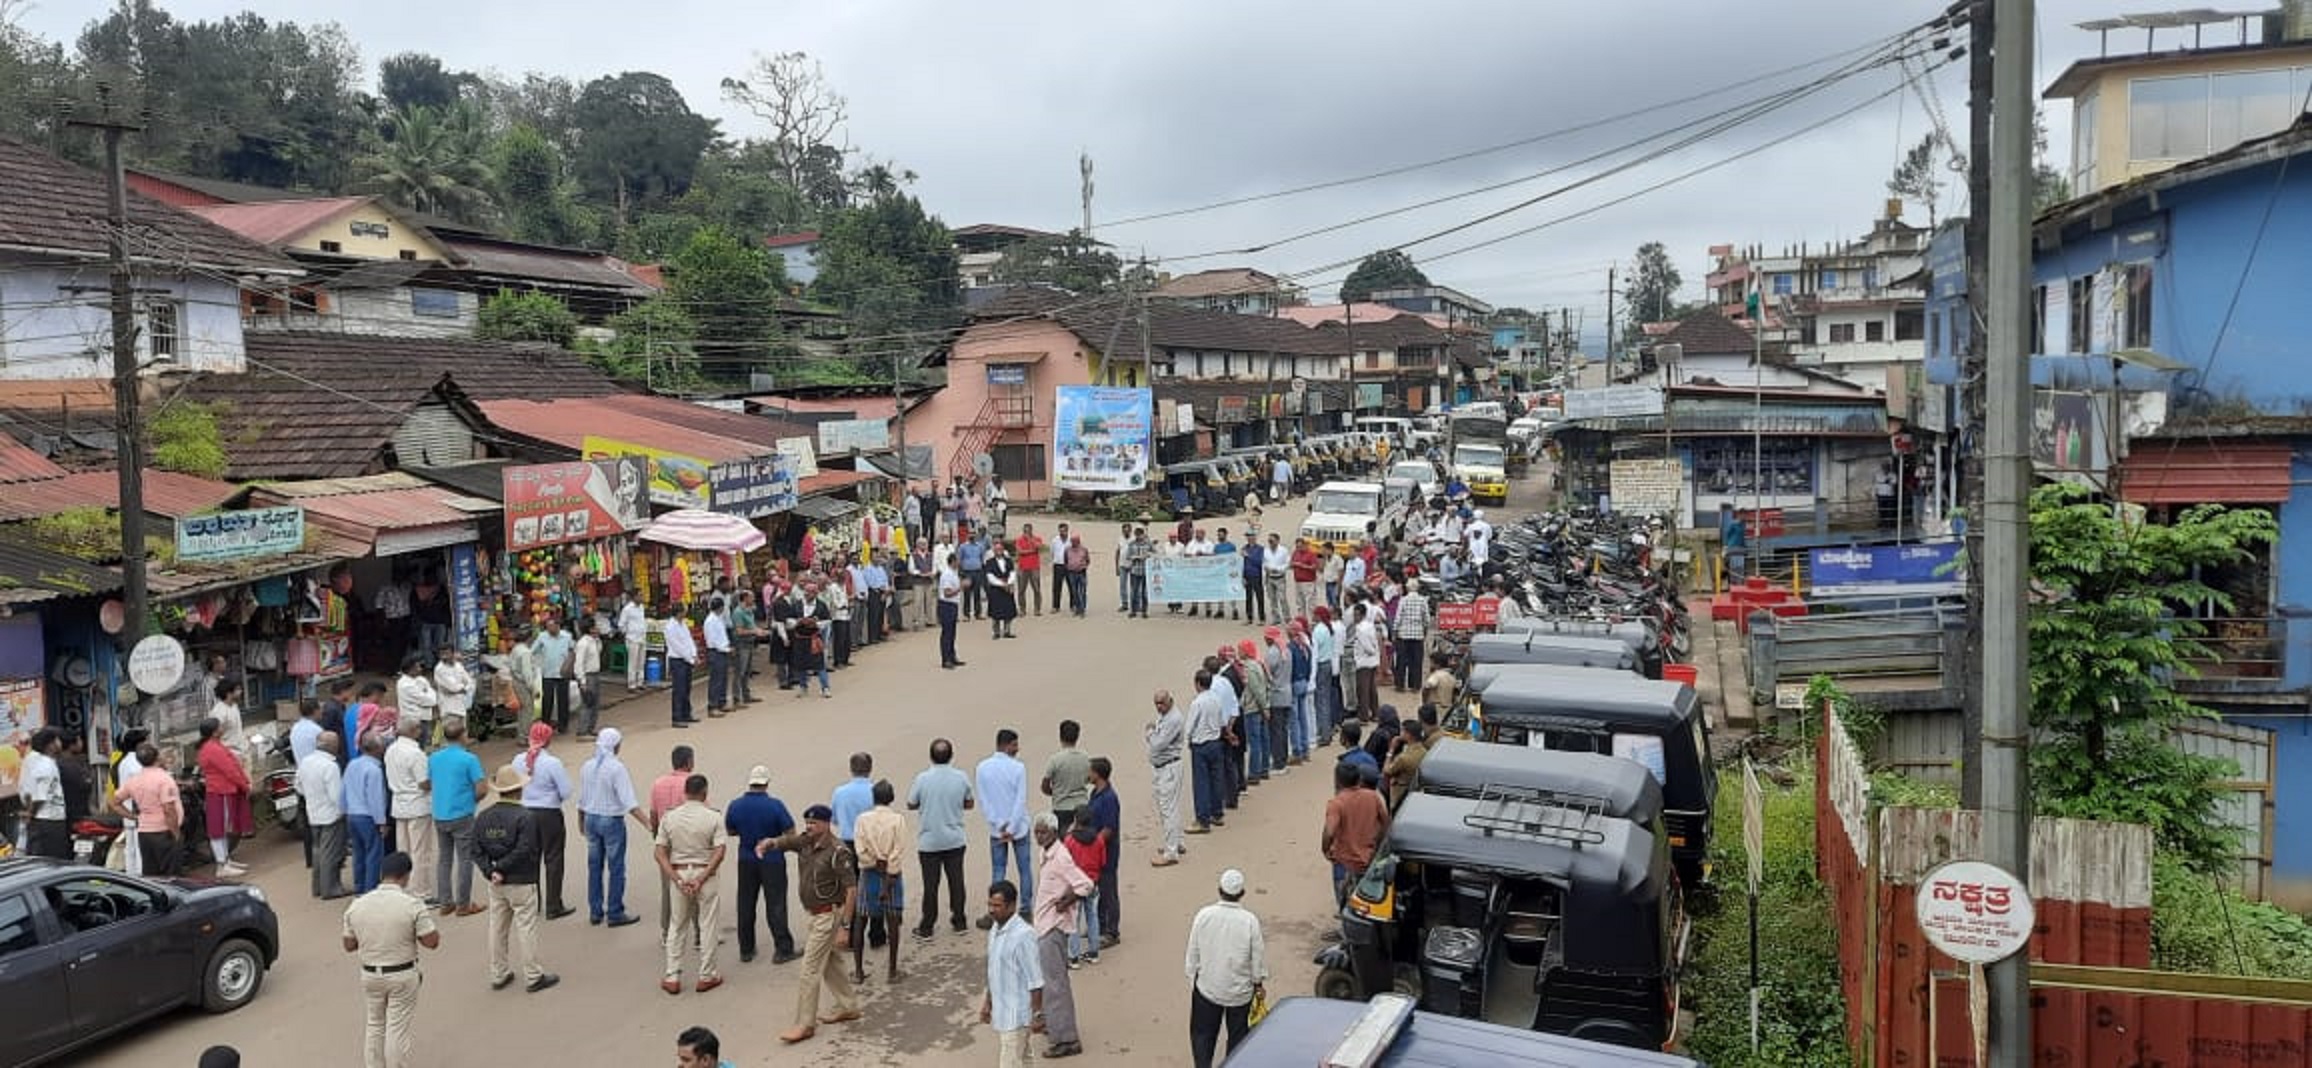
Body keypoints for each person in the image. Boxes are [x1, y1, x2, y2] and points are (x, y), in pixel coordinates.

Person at [757, 804, 860, 1045]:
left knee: (809, 969)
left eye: (814, 823)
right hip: (814, 915)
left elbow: (852, 890)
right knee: (830, 964)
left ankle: (805, 1024)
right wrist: (769, 843)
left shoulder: (838, 851)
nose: (809, 827)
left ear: (826, 823)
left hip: (829, 916)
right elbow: (787, 842)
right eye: (807, 823)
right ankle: (848, 1006)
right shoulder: (805, 841)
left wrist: (845, 926)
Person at [342, 852, 441, 1068]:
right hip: (402, 975)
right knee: (396, 1028)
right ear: (405, 876)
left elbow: (349, 945)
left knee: (374, 1024)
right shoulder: (412, 905)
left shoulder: (357, 905)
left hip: (369, 975)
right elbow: (432, 942)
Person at [473, 762, 559, 994]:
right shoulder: (525, 817)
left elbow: (476, 849)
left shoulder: (483, 817)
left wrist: (490, 870)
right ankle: (533, 975)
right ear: (518, 790)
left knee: (497, 927)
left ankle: (498, 972)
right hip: (521, 879)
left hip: (496, 882)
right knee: (526, 927)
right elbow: (525, 849)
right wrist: (500, 868)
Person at [1185, 869, 1269, 1068]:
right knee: (1238, 1040)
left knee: (1202, 1036)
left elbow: (1193, 953)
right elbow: (1257, 959)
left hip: (1207, 989)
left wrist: (1194, 981)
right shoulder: (1249, 921)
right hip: (1240, 994)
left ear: (1219, 890)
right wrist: (1258, 984)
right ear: (1242, 894)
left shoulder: (1204, 915)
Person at [656, 771, 729, 994]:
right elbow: (720, 851)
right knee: (707, 924)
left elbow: (659, 852)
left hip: (679, 872)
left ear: (685, 792)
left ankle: (672, 975)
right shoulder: (713, 817)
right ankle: (707, 974)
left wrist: (676, 877)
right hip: (704, 874)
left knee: (677, 925)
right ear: (705, 792)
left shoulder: (670, 817)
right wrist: (702, 876)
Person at [726, 764, 800, 964]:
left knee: (746, 903)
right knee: (775, 904)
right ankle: (783, 949)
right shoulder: (775, 805)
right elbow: (791, 832)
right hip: (772, 860)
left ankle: (746, 949)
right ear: (766, 783)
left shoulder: (735, 805)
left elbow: (731, 831)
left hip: (746, 859)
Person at [1032, 816, 1091, 1058]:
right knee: (1050, 982)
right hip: (1044, 925)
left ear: (1054, 832)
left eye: (1043, 832)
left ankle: (1066, 1039)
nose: (1039, 836)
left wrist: (1066, 901)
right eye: (1036, 832)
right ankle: (1055, 1025)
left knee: (1056, 985)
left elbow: (1085, 885)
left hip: (1053, 928)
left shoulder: (1061, 857)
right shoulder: (1045, 854)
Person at [577, 728, 648, 927]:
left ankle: (595, 910)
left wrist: (580, 821)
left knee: (594, 866)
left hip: (591, 818)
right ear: (616, 745)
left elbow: (582, 798)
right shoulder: (617, 768)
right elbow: (629, 802)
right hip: (611, 820)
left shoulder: (587, 766)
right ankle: (615, 911)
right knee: (616, 867)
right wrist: (648, 824)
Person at [907, 737, 976, 938]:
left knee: (930, 885)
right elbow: (969, 803)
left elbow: (911, 803)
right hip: (954, 838)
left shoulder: (922, 779)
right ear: (951, 756)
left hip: (929, 841)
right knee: (956, 880)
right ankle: (959, 920)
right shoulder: (961, 777)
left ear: (930, 757)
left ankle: (927, 925)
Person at [980, 878, 1048, 1068]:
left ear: (1011, 906)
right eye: (990, 905)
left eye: (997, 905)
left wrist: (1037, 1014)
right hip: (1002, 1011)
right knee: (1024, 1060)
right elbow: (994, 970)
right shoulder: (995, 929)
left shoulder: (1024, 935)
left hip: (1017, 1015)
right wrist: (988, 1002)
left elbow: (1036, 980)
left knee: (1009, 1062)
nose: (992, 910)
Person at [513, 722, 575, 919]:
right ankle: (553, 904)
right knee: (554, 858)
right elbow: (566, 791)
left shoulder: (517, 760)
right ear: (548, 740)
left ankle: (532, 903)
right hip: (548, 813)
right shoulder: (552, 763)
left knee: (530, 859)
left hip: (524, 812)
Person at [427, 720, 488, 916]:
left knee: (444, 859)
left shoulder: (434, 758)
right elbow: (481, 788)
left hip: (440, 813)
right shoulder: (469, 759)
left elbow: (428, 782)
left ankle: (446, 902)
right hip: (461, 813)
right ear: (463, 735)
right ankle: (463, 903)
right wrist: (471, 802)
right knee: (465, 859)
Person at [851, 779, 909, 983]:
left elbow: (859, 849)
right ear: (891, 798)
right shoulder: (898, 820)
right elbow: (898, 849)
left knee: (861, 920)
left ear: (873, 798)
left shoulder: (862, 819)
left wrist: (873, 862)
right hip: (891, 876)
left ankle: (858, 971)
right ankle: (892, 971)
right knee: (892, 920)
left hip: (869, 873)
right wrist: (889, 870)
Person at [976, 729, 1034, 923]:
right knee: (1024, 869)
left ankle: (995, 909)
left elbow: (985, 801)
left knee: (998, 869)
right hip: (1019, 827)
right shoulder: (1018, 768)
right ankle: (1025, 909)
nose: (1017, 749)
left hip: (996, 829)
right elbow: (1020, 800)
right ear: (1006, 745)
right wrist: (1012, 826)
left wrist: (999, 824)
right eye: (1015, 745)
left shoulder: (982, 767)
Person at [1323, 761, 1392, 906]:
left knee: (1344, 897)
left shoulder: (1336, 803)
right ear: (1358, 779)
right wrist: (1377, 846)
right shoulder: (1373, 796)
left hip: (1344, 861)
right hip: (1369, 859)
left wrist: (1326, 850)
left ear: (1337, 780)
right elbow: (1386, 823)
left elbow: (1329, 832)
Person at [114, 740, 183, 876]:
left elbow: (115, 803)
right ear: (158, 757)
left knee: (151, 874)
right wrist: (176, 834)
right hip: (164, 832)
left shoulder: (134, 780)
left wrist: (134, 817)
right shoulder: (164, 779)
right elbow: (169, 810)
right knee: (170, 876)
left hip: (144, 833)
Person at [196, 718, 252, 876]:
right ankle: (222, 864)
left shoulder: (212, 746)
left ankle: (225, 860)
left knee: (222, 827)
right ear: (214, 732)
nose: (222, 728)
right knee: (218, 828)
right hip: (220, 791)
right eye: (219, 727)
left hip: (222, 790)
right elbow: (230, 770)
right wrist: (244, 785)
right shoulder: (213, 749)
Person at [384, 719, 433, 900]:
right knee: (420, 851)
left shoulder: (391, 750)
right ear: (415, 731)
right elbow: (423, 783)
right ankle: (421, 892)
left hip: (399, 803)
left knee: (404, 849)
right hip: (417, 804)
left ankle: (403, 888)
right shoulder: (416, 753)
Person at [652, 746, 699, 935]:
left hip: (666, 840)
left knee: (668, 886)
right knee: (695, 885)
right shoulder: (691, 783)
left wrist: (657, 837)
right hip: (687, 841)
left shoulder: (658, 783)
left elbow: (653, 814)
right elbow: (700, 812)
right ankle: (699, 932)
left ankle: (666, 930)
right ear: (688, 762)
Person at [300, 731, 351, 899]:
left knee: (318, 851)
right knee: (331, 853)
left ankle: (318, 886)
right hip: (331, 815)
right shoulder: (330, 766)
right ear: (332, 746)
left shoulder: (306, 761)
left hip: (313, 812)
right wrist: (343, 812)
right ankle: (331, 888)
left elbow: (298, 786)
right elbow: (336, 795)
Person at [1144, 690, 1186, 866]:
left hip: (1169, 767)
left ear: (1170, 701)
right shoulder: (1166, 716)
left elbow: (1158, 744)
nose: (1159, 707)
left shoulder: (1173, 719)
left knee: (1168, 809)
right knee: (1167, 808)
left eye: (1162, 703)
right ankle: (1176, 842)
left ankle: (1171, 852)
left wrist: (1149, 733)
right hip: (1162, 768)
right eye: (1156, 704)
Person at [1184, 670, 1228, 835]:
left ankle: (1203, 819)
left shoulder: (1198, 703)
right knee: (1216, 779)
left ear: (1198, 683)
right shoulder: (1216, 699)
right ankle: (1217, 813)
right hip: (1215, 742)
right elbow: (1222, 721)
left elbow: (1189, 726)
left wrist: (1188, 739)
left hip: (1201, 745)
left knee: (1201, 783)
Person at [1084, 757, 1122, 948]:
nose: (1087, 774)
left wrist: (1094, 845)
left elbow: (1109, 828)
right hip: (1096, 851)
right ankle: (1099, 925)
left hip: (1107, 852)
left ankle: (1112, 931)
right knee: (1097, 889)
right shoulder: (1095, 793)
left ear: (1097, 774)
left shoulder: (1109, 798)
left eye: (1090, 771)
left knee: (1109, 891)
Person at [343, 732, 388, 893]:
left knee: (358, 853)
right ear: (378, 749)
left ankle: (359, 887)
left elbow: (344, 790)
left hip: (352, 814)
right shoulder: (374, 770)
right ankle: (371, 889)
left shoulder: (352, 764)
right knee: (373, 854)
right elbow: (375, 798)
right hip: (368, 816)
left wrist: (344, 809)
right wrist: (381, 822)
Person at [1062, 810, 1105, 967]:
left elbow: (1065, 863)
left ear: (1076, 821)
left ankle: (1073, 956)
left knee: (1074, 919)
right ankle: (1093, 952)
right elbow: (1102, 861)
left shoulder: (1070, 840)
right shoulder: (1099, 839)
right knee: (1092, 917)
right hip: (1092, 883)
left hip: (1075, 885)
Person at [17, 728, 67, 858]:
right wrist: (30, 814)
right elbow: (39, 796)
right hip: (47, 822)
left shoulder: (45, 762)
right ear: (50, 744)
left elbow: (28, 793)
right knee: (48, 862)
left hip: (48, 820)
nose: (60, 743)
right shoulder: (45, 765)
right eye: (57, 740)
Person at [1042, 719, 1091, 834]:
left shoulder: (1055, 760)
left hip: (1061, 807)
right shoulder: (1085, 758)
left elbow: (1045, 785)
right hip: (1082, 805)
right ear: (1077, 736)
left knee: (1063, 846)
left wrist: (1056, 792)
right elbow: (1089, 779)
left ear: (1060, 736)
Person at [1393, 571, 1430, 692]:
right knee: (1416, 661)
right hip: (1418, 634)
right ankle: (1415, 685)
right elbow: (1427, 619)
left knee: (1401, 661)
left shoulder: (1403, 600)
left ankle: (1400, 685)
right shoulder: (1423, 600)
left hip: (1403, 634)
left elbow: (1398, 617)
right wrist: (1425, 630)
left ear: (1408, 588)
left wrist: (1395, 631)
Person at [662, 611, 700, 727]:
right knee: (679, 690)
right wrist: (690, 658)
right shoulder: (670, 627)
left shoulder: (683, 624)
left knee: (687, 688)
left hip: (687, 659)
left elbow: (689, 640)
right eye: (683, 611)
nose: (685, 613)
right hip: (677, 659)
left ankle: (686, 713)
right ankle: (677, 717)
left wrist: (694, 654)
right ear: (678, 613)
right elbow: (676, 646)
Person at [1384, 721, 1430, 810]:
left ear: (1408, 735)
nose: (1400, 733)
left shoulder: (1403, 758)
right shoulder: (1425, 751)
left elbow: (1387, 770)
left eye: (1402, 731)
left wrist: (1391, 750)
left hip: (1400, 793)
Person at [1350, 603, 1383, 723]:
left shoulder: (1360, 628)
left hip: (1363, 661)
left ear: (1362, 615)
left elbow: (1366, 645)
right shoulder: (1370, 626)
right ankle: (1375, 713)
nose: (1355, 617)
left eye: (1356, 615)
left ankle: (1364, 715)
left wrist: (1371, 651)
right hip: (1372, 661)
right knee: (1371, 689)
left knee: (1362, 690)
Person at [572, 624, 605, 737]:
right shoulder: (583, 643)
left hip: (595, 674)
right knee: (587, 703)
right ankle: (582, 730)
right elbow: (578, 663)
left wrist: (598, 639)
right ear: (590, 629)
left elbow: (599, 651)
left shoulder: (594, 641)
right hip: (588, 675)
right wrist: (582, 681)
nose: (598, 628)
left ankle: (591, 728)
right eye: (596, 626)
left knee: (595, 703)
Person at [393, 659, 438, 743]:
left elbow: (429, 692)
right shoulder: (405, 684)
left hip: (422, 719)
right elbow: (431, 701)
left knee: (422, 745)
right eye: (417, 667)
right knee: (416, 745)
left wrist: (428, 691)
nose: (420, 669)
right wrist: (429, 691)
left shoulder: (420, 679)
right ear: (411, 669)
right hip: (414, 720)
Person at [729, 591, 761, 704]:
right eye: (752, 598)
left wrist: (758, 631)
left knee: (747, 671)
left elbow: (751, 625)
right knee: (739, 672)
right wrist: (755, 631)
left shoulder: (749, 611)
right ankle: (736, 698)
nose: (753, 600)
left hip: (749, 643)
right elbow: (739, 631)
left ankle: (746, 695)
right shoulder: (738, 612)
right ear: (745, 598)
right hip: (741, 644)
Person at [433, 645, 474, 730]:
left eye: (447, 653)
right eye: (442, 654)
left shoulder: (458, 665)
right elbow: (453, 688)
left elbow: (470, 682)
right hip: (448, 709)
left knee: (462, 736)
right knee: (451, 736)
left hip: (462, 706)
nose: (444, 656)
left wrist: (463, 688)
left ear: (453, 654)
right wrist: (463, 687)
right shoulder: (439, 669)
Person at [937, 550, 966, 669]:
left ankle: (952, 656)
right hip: (946, 605)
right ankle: (945, 659)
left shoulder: (954, 573)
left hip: (953, 605)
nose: (959, 563)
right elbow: (947, 593)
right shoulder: (947, 574)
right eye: (957, 561)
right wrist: (961, 587)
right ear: (953, 562)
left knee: (952, 633)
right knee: (947, 633)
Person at [986, 539, 1019, 639]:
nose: (999, 551)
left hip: (1008, 588)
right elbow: (990, 577)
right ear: (994, 551)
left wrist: (1009, 583)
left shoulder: (1009, 561)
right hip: (996, 590)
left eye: (1000, 549)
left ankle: (1007, 631)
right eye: (996, 550)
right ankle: (996, 632)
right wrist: (1002, 584)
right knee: (996, 612)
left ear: (1003, 550)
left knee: (1008, 611)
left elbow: (1013, 573)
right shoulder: (989, 562)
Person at [619, 593, 652, 693]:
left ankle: (640, 683)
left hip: (642, 637)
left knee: (641, 662)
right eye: (640, 595)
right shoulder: (627, 609)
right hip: (632, 639)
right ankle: (632, 685)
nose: (642, 597)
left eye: (642, 595)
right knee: (633, 662)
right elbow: (621, 624)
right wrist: (628, 634)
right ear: (634, 597)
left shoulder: (641, 607)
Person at [1014, 523, 1046, 616]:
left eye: (1028, 530)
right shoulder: (1019, 540)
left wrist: (1030, 539)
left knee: (1036, 589)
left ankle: (1037, 609)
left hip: (1034, 567)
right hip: (1022, 568)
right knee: (1021, 590)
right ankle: (1022, 609)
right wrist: (1031, 551)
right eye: (1025, 530)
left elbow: (1039, 547)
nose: (1026, 532)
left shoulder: (1037, 538)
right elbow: (1020, 551)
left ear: (1031, 530)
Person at [1063, 526, 1092, 618]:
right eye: (1072, 540)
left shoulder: (1084, 549)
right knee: (1074, 592)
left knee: (1082, 591)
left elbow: (1088, 560)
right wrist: (1068, 567)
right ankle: (1077, 609)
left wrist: (1084, 566)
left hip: (1081, 572)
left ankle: (1082, 610)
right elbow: (1065, 560)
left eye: (1075, 540)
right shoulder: (1067, 549)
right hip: (1071, 573)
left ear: (1079, 541)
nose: (1073, 542)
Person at [1049, 522, 1076, 615]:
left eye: (1064, 531)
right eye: (1060, 531)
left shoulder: (1071, 540)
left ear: (1067, 530)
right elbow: (1052, 552)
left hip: (1069, 565)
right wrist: (1055, 561)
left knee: (1072, 586)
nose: (1062, 532)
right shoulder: (1054, 540)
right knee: (1056, 587)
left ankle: (1073, 605)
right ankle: (1055, 606)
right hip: (1058, 565)